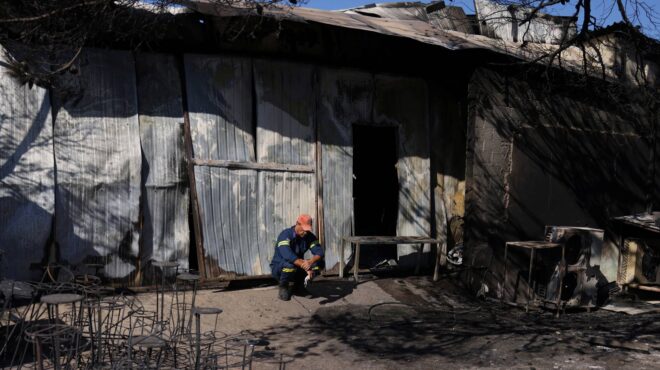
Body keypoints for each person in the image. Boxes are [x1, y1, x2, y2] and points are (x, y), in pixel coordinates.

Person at [270, 214, 324, 301]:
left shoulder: (309, 236)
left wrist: (310, 262)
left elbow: (319, 252)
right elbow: (288, 256)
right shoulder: (285, 235)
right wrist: (305, 266)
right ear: (297, 224)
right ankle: (283, 287)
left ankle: (299, 287)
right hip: (280, 267)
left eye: (307, 229)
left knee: (319, 263)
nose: (305, 232)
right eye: (304, 229)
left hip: (297, 266)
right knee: (289, 265)